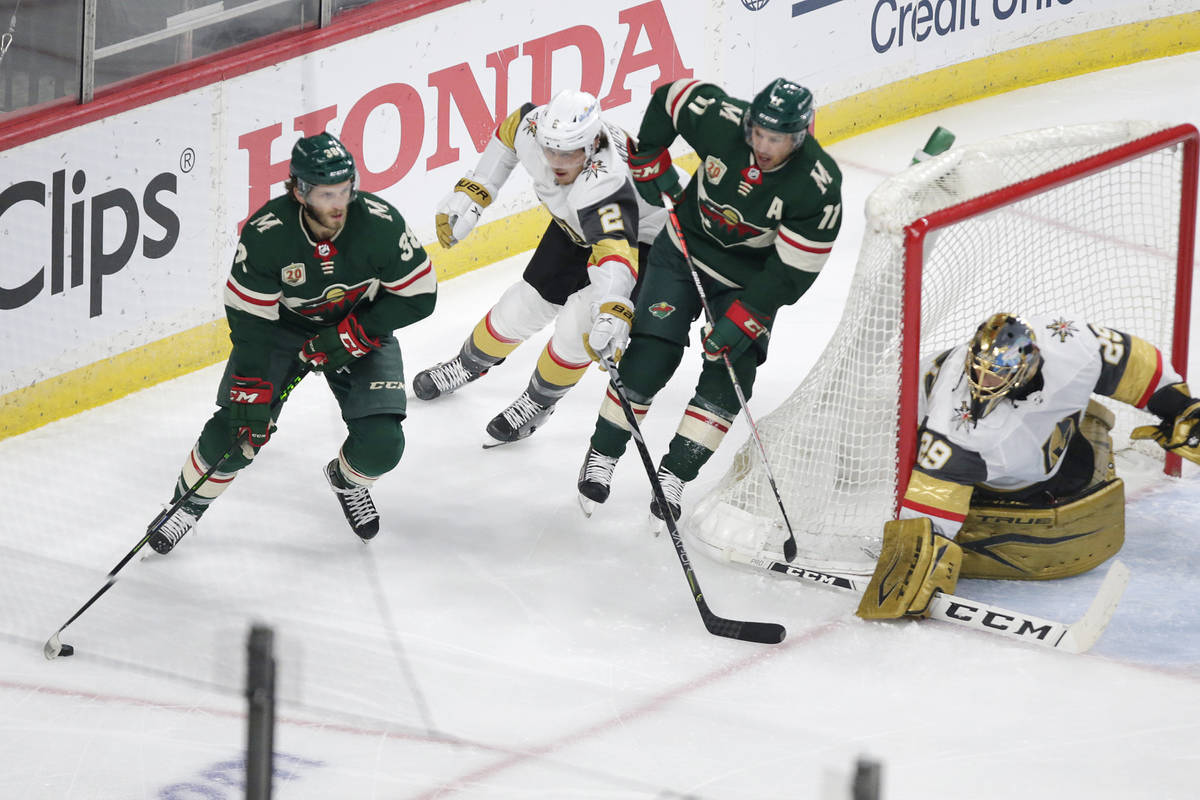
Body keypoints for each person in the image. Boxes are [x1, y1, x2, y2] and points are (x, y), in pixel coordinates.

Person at [146, 132, 437, 553]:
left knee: (382, 447)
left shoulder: (379, 223)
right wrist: (250, 384)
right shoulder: (268, 235)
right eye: (325, 194)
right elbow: (250, 320)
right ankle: (186, 507)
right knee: (238, 430)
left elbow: (421, 296)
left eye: (344, 190)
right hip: (281, 331)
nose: (338, 204)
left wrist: (358, 332)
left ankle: (346, 479)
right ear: (299, 191)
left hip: (361, 325)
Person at [575, 77, 843, 521]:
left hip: (749, 282)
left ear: (799, 136)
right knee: (649, 356)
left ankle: (675, 475)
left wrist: (747, 316)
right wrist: (649, 157)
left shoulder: (817, 186)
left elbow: (793, 270)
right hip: (681, 250)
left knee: (730, 374)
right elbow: (669, 96)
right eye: (758, 132)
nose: (762, 144)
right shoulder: (722, 119)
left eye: (775, 138)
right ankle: (602, 454)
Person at [856, 312, 1200, 620]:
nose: (981, 381)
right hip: (983, 472)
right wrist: (915, 558)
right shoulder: (955, 427)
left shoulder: (1069, 344)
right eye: (977, 368)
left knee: (1075, 462)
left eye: (995, 374)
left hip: (1050, 448)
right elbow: (935, 490)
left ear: (1026, 366)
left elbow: (1126, 359)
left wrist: (1179, 405)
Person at [412, 89, 669, 447]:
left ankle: (539, 401)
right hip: (576, 226)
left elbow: (615, 252)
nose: (556, 162)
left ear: (593, 143)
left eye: (568, 153)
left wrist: (614, 307)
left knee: (577, 329)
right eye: (551, 150)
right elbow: (512, 127)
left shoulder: (607, 180)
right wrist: (476, 190)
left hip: (639, 242)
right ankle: (469, 363)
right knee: (520, 306)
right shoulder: (536, 128)